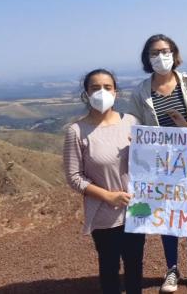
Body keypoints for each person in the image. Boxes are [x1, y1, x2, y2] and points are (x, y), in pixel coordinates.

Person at [126, 34, 187, 293]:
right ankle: (172, 269)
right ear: (147, 58)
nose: (160, 56)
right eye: (154, 53)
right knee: (168, 215)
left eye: (164, 51)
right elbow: (133, 122)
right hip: (159, 164)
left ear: (174, 54)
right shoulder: (141, 91)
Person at [63, 68, 144, 294]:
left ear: (116, 92)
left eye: (107, 87)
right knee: (109, 268)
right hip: (103, 213)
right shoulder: (76, 131)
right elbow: (73, 177)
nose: (101, 92)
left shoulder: (131, 122)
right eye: (95, 87)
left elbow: (147, 163)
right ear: (86, 93)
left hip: (135, 209)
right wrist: (108, 196)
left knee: (135, 264)